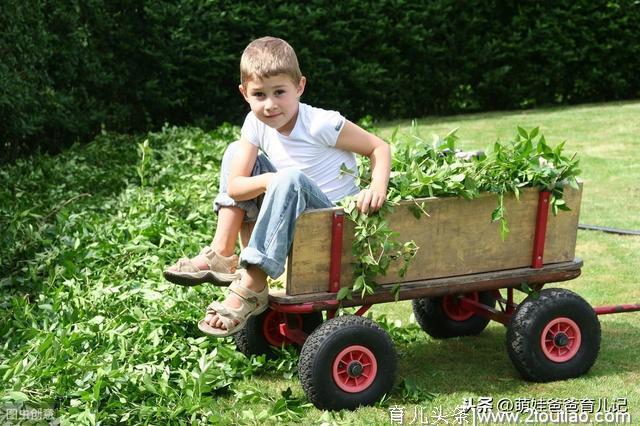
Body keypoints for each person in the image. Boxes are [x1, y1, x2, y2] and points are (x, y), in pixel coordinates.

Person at [164, 36, 390, 337]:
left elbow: (379, 147)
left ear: (300, 87)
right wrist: (270, 180)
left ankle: (254, 281)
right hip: (291, 207)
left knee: (290, 177)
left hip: (333, 217)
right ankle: (222, 253)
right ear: (245, 94)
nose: (270, 105)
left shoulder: (320, 124)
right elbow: (235, 187)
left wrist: (376, 186)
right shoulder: (254, 123)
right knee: (236, 153)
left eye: (279, 92)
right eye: (259, 95)